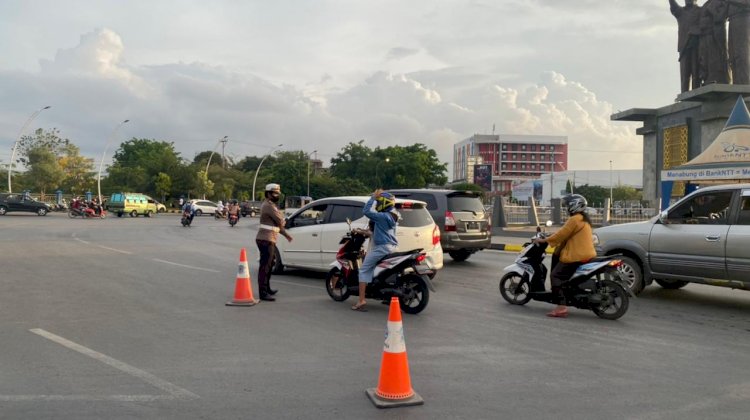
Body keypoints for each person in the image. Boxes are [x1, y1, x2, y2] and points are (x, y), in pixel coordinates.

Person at [533, 194, 596, 318]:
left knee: (556, 275)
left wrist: (544, 240)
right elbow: (565, 233)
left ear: (574, 206)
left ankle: (561, 307)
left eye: (568, 205)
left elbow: (561, 234)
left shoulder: (574, 219)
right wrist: (551, 236)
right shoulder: (583, 219)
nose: (566, 207)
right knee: (564, 275)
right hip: (587, 254)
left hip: (576, 256)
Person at [351, 190, 399, 312]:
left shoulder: (381, 216)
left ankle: (361, 300)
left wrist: (372, 198)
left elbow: (366, 211)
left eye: (378, 202)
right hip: (391, 247)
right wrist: (363, 232)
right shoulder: (392, 216)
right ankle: (386, 297)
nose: (377, 205)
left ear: (384, 203)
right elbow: (379, 232)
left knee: (363, 270)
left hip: (381, 248)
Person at [256, 183, 293, 301]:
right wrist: (283, 221)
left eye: (278, 193)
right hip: (265, 239)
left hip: (269, 238)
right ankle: (263, 292)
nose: (277, 195)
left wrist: (287, 235)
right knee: (265, 266)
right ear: (268, 194)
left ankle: (267, 288)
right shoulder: (269, 206)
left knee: (270, 264)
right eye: (274, 193)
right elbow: (280, 221)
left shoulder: (271, 205)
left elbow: (277, 225)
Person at [669, 0, 703, 92]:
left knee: (696, 73)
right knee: (685, 75)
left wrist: (695, 31)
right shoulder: (681, 12)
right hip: (684, 47)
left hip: (696, 46)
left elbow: (704, 25)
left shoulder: (701, 11)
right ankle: (684, 97)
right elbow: (673, 6)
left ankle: (696, 94)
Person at [728, 0, 750, 84]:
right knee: (732, 56)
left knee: (742, 54)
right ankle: (737, 85)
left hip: (742, 18)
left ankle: (745, 85)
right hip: (732, 20)